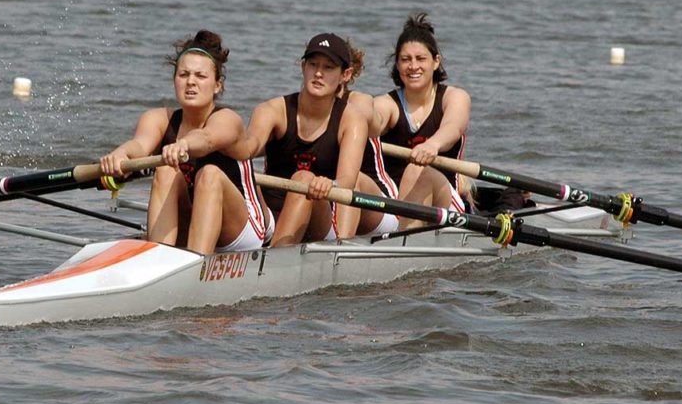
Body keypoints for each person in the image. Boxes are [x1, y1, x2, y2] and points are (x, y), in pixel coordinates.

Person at [99, 30, 270, 255]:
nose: (191, 82)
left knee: (209, 174)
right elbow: (139, 147)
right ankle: (158, 259)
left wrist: (184, 145)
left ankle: (194, 269)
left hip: (243, 229)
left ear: (218, 85)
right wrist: (120, 154)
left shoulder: (228, 119)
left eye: (200, 76)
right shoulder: (158, 119)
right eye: (183, 75)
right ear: (174, 80)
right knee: (166, 172)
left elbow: (207, 139)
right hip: (194, 218)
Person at [234, 33, 398, 247]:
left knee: (303, 178)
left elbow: (347, 181)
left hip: (323, 218)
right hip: (273, 215)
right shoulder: (271, 111)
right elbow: (249, 147)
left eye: (329, 67)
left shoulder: (352, 119)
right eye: (313, 65)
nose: (319, 73)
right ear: (303, 67)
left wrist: (330, 184)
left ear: (345, 75)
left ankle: (280, 260)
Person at [374, 13, 472, 228]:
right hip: (395, 200)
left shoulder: (454, 97)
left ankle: (402, 244)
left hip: (446, 202)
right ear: (397, 65)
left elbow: (453, 127)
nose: (413, 66)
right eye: (405, 59)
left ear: (436, 62)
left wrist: (432, 145)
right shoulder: (386, 104)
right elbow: (374, 121)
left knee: (417, 170)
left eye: (421, 59)